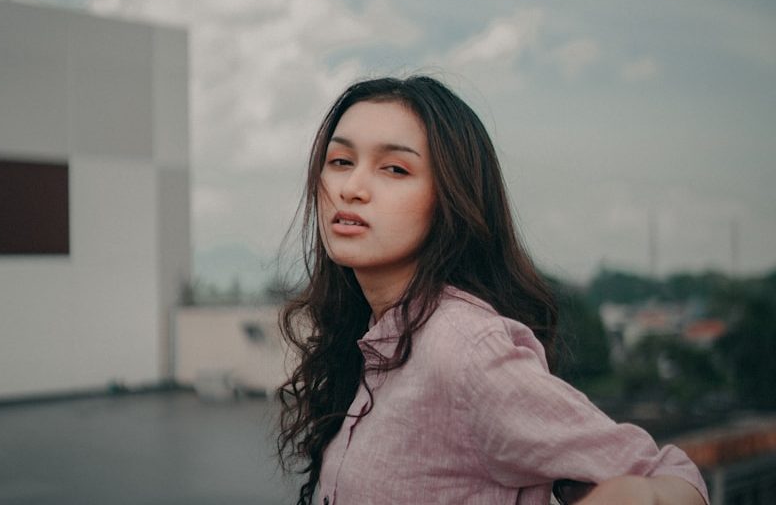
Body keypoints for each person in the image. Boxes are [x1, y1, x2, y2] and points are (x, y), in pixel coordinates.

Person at [277, 75, 709, 505]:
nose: (350, 189)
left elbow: (662, 478)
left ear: (450, 197)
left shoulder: (464, 348)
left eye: (395, 168)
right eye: (340, 162)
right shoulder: (373, 338)